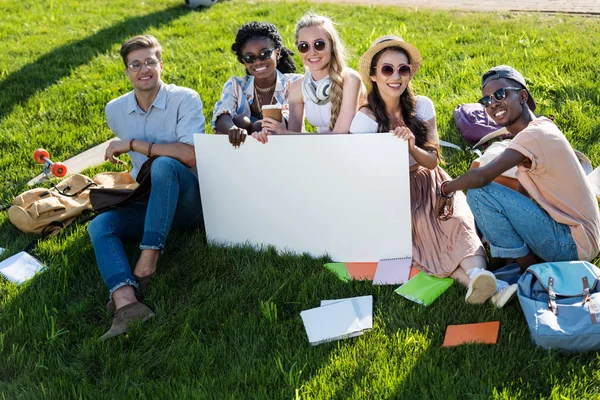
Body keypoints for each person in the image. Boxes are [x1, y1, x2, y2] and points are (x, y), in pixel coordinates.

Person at [350, 36, 514, 307]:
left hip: (431, 179)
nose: (396, 77)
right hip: (394, 192)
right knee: (429, 237)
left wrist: (412, 147)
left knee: (457, 220)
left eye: (403, 69)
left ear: (409, 73)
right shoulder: (365, 120)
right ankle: (491, 288)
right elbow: (364, 177)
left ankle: (479, 278)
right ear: (373, 76)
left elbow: (433, 162)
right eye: (387, 69)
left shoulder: (422, 106)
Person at [87, 34, 205, 341]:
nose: (144, 69)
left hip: (188, 201)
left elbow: (190, 155)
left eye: (150, 62)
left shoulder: (185, 99)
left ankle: (148, 260)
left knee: (166, 165)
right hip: (149, 199)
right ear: (127, 71)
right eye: (135, 64)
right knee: (101, 225)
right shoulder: (115, 110)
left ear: (161, 65)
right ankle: (127, 304)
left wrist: (134, 145)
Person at [436, 65, 600, 278]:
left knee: (480, 193)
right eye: (486, 101)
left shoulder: (532, 136)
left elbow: (482, 176)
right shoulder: (541, 128)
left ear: (522, 96)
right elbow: (523, 191)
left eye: (500, 94)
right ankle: (513, 259)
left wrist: (445, 188)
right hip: (585, 240)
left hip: (571, 246)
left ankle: (527, 269)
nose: (493, 103)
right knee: (495, 195)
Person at [256, 13, 366, 142]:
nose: (312, 52)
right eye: (304, 46)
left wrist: (286, 133)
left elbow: (340, 136)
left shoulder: (350, 80)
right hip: (321, 149)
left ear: (332, 45)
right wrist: (276, 134)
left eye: (319, 44)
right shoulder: (298, 87)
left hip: (355, 149)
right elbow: (295, 140)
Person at [212, 21, 301, 147]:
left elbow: (290, 116)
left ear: (277, 53)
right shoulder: (235, 84)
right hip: (242, 150)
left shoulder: (294, 83)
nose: (258, 62)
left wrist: (261, 128)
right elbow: (222, 112)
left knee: (260, 124)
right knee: (240, 121)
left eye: (265, 54)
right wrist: (233, 129)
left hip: (283, 146)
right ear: (243, 61)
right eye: (249, 58)